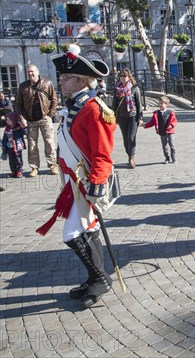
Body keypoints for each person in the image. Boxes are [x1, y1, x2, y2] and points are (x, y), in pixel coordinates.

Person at [36, 44, 116, 309]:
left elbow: (103, 154)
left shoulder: (94, 109)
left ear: (83, 81)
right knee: (88, 229)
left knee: (72, 233)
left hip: (87, 181)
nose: (62, 80)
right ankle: (97, 279)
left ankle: (99, 279)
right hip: (73, 180)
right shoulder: (75, 106)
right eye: (62, 76)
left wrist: (96, 183)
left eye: (67, 77)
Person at [15, 64, 59, 177]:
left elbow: (54, 99)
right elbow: (18, 104)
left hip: (45, 118)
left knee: (49, 142)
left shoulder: (47, 83)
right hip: (30, 120)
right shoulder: (23, 86)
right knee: (32, 144)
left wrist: (50, 114)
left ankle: (53, 165)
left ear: (37, 72)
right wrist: (21, 118)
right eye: (28, 72)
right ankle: (34, 167)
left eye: (32, 71)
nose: (30, 74)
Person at [111, 69, 143, 168]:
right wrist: (114, 117)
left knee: (131, 137)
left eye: (124, 76)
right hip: (121, 117)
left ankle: (131, 158)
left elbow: (138, 104)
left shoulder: (134, 88)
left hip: (133, 116)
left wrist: (140, 118)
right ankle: (129, 154)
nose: (123, 78)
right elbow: (114, 104)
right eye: (121, 76)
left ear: (129, 77)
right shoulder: (117, 89)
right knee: (125, 139)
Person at [143, 96, 177, 164]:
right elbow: (152, 122)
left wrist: (171, 125)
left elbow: (174, 121)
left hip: (170, 131)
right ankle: (167, 158)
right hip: (162, 131)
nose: (160, 105)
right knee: (164, 145)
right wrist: (145, 125)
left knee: (172, 144)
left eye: (162, 103)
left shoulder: (170, 112)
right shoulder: (156, 113)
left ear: (166, 104)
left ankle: (173, 157)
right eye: (160, 103)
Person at [1, 112, 28, 178]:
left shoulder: (18, 127)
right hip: (9, 146)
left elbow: (25, 133)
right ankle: (13, 171)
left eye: (9, 120)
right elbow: (5, 137)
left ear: (14, 120)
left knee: (18, 159)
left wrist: (24, 126)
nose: (7, 121)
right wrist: (4, 145)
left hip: (17, 146)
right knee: (11, 159)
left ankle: (19, 171)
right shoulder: (7, 128)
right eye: (7, 120)